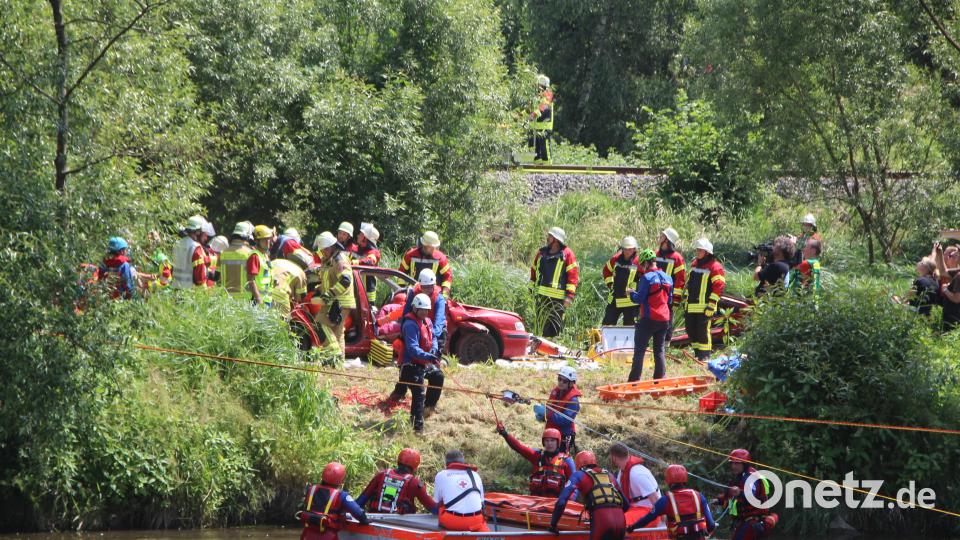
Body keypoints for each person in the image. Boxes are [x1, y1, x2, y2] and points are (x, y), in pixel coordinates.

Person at [394, 293, 445, 431]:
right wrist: (429, 357)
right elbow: (412, 349)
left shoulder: (427, 321)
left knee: (438, 376)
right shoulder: (410, 325)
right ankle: (417, 427)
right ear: (415, 309)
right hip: (409, 365)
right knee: (419, 391)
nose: (424, 312)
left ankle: (428, 408)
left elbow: (433, 337)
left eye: (427, 310)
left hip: (423, 362)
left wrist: (434, 350)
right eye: (422, 309)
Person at [550, 450, 628, 540]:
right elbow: (626, 505)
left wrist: (553, 524)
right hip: (621, 521)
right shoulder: (609, 475)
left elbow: (561, 501)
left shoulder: (578, 475)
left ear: (578, 464)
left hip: (602, 520)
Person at [627, 464, 716, 539]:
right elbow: (711, 524)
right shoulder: (699, 496)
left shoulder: (665, 500)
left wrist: (632, 527)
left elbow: (647, 519)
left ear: (668, 480)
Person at [627, 249, 673, 381]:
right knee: (659, 350)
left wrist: (631, 293)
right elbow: (669, 300)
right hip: (664, 319)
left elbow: (639, 299)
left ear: (646, 263)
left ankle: (634, 381)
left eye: (642, 265)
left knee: (640, 351)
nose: (641, 268)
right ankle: (659, 379)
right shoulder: (668, 278)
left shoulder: (646, 278)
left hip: (649, 319)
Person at [495, 424, 576, 497]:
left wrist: (567, 503)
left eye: (552, 441)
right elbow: (519, 448)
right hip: (536, 502)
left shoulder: (567, 460)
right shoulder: (536, 456)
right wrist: (505, 434)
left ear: (557, 442)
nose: (549, 444)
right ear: (543, 443)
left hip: (555, 503)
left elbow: (575, 486)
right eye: (547, 441)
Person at [297, 462, 369, 540]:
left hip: (306, 535)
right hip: (328, 536)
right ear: (341, 480)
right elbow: (358, 513)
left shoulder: (311, 489)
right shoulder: (341, 495)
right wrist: (364, 520)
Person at [715, 449, 777, 540]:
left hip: (753, 523)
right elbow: (731, 497)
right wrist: (719, 500)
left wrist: (740, 493)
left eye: (737, 463)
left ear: (745, 464)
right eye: (732, 463)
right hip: (744, 522)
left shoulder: (751, 478)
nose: (733, 466)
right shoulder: (739, 477)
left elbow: (751, 496)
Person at [357, 448, 438, 515]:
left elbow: (360, 501)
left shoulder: (381, 474)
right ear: (415, 466)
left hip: (374, 519)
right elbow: (433, 508)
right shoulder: (415, 483)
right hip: (400, 525)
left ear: (398, 461)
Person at [530, 227, 579, 338]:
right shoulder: (541, 253)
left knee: (555, 327)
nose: (547, 238)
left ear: (556, 239)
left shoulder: (567, 254)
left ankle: (554, 349)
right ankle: (540, 348)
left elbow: (573, 276)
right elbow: (534, 269)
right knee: (541, 325)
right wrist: (531, 287)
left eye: (550, 236)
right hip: (542, 296)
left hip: (558, 299)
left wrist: (570, 296)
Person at [313, 231, 355, 357]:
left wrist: (330, 293)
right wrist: (319, 288)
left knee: (320, 324)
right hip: (333, 301)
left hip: (339, 302)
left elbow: (345, 280)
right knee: (337, 333)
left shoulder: (340, 259)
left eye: (324, 250)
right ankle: (337, 363)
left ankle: (334, 354)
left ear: (331, 247)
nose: (323, 252)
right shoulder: (330, 260)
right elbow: (330, 279)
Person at [684, 238, 724, 361]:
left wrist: (712, 304)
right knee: (690, 329)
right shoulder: (694, 264)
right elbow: (689, 283)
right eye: (697, 250)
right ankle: (697, 353)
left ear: (707, 252)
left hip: (705, 307)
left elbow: (719, 286)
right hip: (691, 305)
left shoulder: (715, 266)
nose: (697, 252)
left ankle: (705, 355)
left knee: (703, 331)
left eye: (700, 250)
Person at [434, 449, 488, 532]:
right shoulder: (475, 474)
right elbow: (482, 503)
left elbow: (437, 502)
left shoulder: (441, 475)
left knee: (442, 506)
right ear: (463, 462)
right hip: (476, 521)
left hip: (453, 522)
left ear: (446, 463)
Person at [608, 443, 660, 525]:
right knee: (607, 518)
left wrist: (664, 523)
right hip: (633, 508)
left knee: (617, 524)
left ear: (613, 458)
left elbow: (655, 499)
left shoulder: (637, 473)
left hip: (648, 510)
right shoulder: (622, 472)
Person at [401, 269, 448, 355]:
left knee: (441, 333)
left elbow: (439, 320)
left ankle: (436, 355)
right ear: (420, 285)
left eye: (429, 287)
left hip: (434, 327)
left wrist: (431, 335)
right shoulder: (413, 292)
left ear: (433, 285)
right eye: (424, 287)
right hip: (418, 324)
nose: (426, 289)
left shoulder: (439, 298)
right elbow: (406, 313)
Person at [655, 227, 685, 359]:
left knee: (667, 321)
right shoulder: (656, 254)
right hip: (654, 294)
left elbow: (680, 279)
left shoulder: (677, 258)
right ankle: (655, 345)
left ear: (667, 240)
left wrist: (676, 299)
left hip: (668, 296)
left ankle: (665, 348)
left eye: (662, 236)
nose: (660, 237)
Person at [601, 236, 641, 326]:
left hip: (630, 301)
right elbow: (606, 270)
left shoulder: (638, 261)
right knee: (607, 326)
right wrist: (610, 284)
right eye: (625, 249)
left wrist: (635, 288)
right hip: (615, 298)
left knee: (629, 328)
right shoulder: (615, 259)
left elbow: (644, 278)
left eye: (630, 249)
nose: (627, 252)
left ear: (634, 249)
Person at [400, 231, 452, 297]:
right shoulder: (410, 255)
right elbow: (401, 274)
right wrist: (401, 291)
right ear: (424, 245)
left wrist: (444, 294)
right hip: (413, 293)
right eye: (431, 247)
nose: (434, 248)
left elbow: (447, 277)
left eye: (434, 246)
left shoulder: (440, 258)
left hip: (433, 295)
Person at [542, 366, 581, 454]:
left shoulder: (573, 401)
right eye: (559, 379)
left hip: (563, 435)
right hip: (552, 431)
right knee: (549, 457)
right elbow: (549, 407)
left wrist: (548, 414)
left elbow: (564, 420)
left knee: (559, 460)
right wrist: (542, 415)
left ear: (571, 383)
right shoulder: (556, 392)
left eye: (564, 381)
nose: (561, 382)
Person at [172, 215, 210, 289]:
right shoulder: (196, 248)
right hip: (189, 291)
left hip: (175, 288)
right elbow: (200, 275)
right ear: (198, 231)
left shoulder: (177, 244)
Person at [220, 222, 255, 298]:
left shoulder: (223, 253)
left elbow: (217, 277)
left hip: (226, 298)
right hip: (245, 299)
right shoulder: (249, 253)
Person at [245, 225, 274, 306]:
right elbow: (250, 281)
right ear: (257, 241)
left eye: (268, 238)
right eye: (264, 239)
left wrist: (273, 281)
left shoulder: (265, 255)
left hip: (267, 299)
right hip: (257, 301)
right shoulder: (255, 256)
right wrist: (259, 300)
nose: (268, 241)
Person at [529, 74, 554, 162]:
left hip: (545, 128)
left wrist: (532, 115)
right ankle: (537, 169)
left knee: (545, 149)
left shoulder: (548, 95)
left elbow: (542, 107)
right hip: (536, 128)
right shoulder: (536, 97)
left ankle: (548, 168)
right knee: (536, 151)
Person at [354, 222, 382, 293]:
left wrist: (352, 263)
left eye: (360, 234)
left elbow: (370, 262)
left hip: (367, 294)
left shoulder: (374, 252)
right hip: (356, 291)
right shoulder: (357, 249)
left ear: (365, 238)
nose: (357, 236)